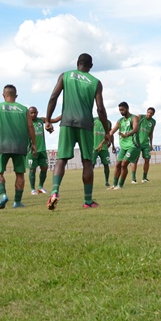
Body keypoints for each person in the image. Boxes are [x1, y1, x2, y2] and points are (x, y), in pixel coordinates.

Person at [45, 53, 110, 208]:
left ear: (77, 63)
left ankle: (54, 192)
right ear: (91, 66)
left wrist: (48, 120)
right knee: (87, 161)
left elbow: (53, 97)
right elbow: (100, 108)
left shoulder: (65, 76)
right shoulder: (95, 82)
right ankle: (87, 201)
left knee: (61, 159)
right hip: (86, 124)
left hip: (67, 122)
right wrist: (107, 130)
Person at [0, 85, 37, 209]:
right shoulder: (24, 109)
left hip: (2, 145)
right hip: (20, 146)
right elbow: (30, 126)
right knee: (20, 174)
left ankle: (3, 195)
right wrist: (34, 143)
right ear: (16, 96)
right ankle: (17, 202)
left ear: (3, 95)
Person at [109, 102, 140, 190]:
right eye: (120, 110)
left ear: (127, 108)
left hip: (133, 145)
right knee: (118, 164)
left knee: (124, 164)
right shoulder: (120, 121)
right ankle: (114, 185)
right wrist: (104, 141)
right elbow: (111, 132)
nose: (121, 112)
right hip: (123, 146)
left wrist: (127, 135)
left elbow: (135, 129)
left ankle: (120, 185)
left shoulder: (134, 118)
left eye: (122, 110)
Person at [27, 106, 51, 195]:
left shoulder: (41, 120)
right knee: (32, 169)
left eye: (35, 112)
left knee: (44, 168)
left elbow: (53, 120)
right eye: (31, 113)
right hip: (31, 150)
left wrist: (64, 115)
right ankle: (33, 189)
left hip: (42, 150)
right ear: (28, 114)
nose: (33, 114)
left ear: (37, 113)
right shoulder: (26, 123)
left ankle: (41, 187)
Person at [131, 107, 156, 183]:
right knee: (135, 160)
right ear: (146, 112)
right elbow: (133, 124)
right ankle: (133, 179)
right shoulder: (140, 117)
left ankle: (144, 178)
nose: (149, 114)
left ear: (153, 114)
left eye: (151, 113)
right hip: (137, 143)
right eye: (148, 112)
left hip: (146, 144)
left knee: (147, 160)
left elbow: (151, 133)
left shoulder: (153, 121)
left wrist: (151, 144)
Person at [92, 116, 113, 187]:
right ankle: (90, 182)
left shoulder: (108, 122)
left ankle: (107, 181)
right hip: (94, 147)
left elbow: (110, 133)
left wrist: (111, 143)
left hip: (104, 147)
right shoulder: (93, 120)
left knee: (106, 164)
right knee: (91, 165)